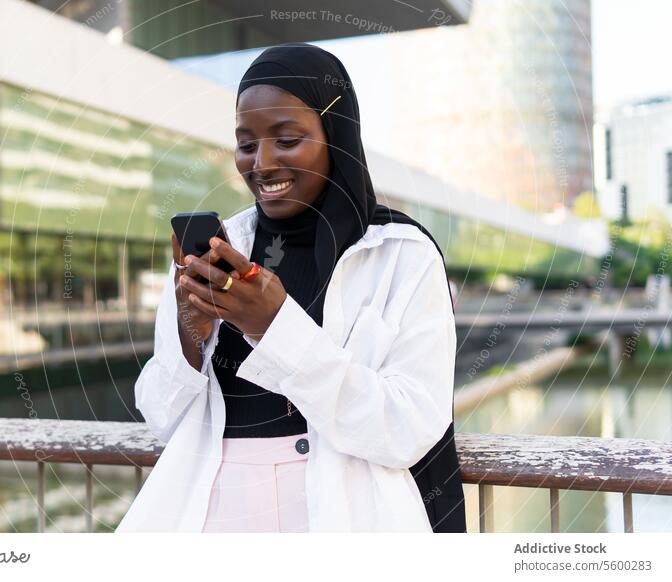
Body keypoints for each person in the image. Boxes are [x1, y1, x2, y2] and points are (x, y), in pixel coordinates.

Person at [115, 42, 465, 533]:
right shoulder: (222, 247)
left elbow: (407, 428)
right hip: (214, 516)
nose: (261, 163)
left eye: (286, 139)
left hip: (343, 519)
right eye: (245, 143)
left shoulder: (402, 254)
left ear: (335, 135)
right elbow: (160, 414)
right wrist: (191, 335)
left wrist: (275, 326)